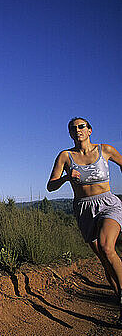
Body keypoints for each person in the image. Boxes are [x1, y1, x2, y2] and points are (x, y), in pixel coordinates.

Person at [47, 117, 122, 322]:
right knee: (104, 260)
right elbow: (50, 186)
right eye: (73, 128)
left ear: (89, 130)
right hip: (83, 208)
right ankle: (119, 299)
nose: (77, 130)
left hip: (108, 204)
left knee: (108, 247)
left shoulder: (105, 150)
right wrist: (66, 177)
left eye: (81, 126)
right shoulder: (65, 156)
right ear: (70, 133)